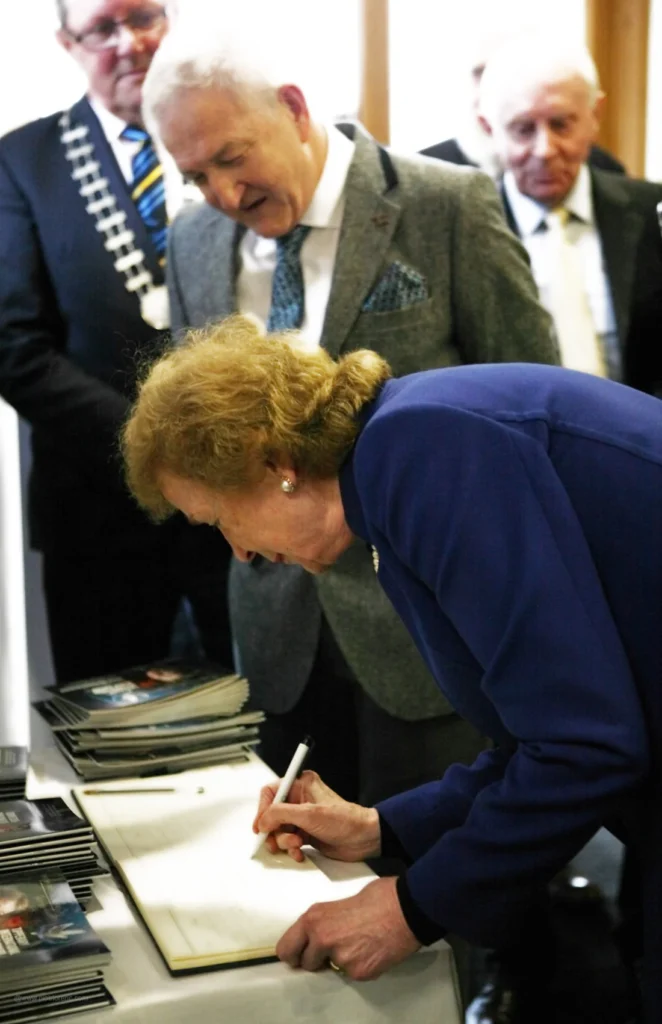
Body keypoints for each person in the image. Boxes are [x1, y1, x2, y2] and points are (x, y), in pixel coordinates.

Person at [122, 317, 662, 1024]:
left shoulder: (422, 452)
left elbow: (585, 744)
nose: (241, 553)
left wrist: (409, 908)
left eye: (219, 519)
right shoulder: (393, 464)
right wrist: (383, 829)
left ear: (275, 462)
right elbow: (541, 737)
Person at [140, 32, 559, 816]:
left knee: (441, 861)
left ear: (294, 109)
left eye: (232, 158)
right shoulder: (193, 241)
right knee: (299, 860)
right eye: (195, 175)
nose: (222, 193)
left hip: (432, 632)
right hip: (276, 641)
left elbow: (530, 412)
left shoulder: (447, 205)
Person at [0, 0, 233, 684]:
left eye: (143, 17)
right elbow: (14, 347)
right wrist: (151, 444)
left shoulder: (224, 134)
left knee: (262, 712)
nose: (129, 42)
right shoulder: (24, 162)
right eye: (103, 27)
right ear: (67, 42)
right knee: (110, 722)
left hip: (240, 500)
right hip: (98, 510)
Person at [478, 37, 662, 396]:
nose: (545, 150)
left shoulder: (651, 211)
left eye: (561, 124)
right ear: (489, 129)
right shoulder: (467, 231)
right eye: (523, 129)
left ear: (595, 115)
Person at [421, 32, 625, 177]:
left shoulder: (602, 169)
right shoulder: (431, 170)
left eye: (559, 124)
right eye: (481, 74)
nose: (544, 151)